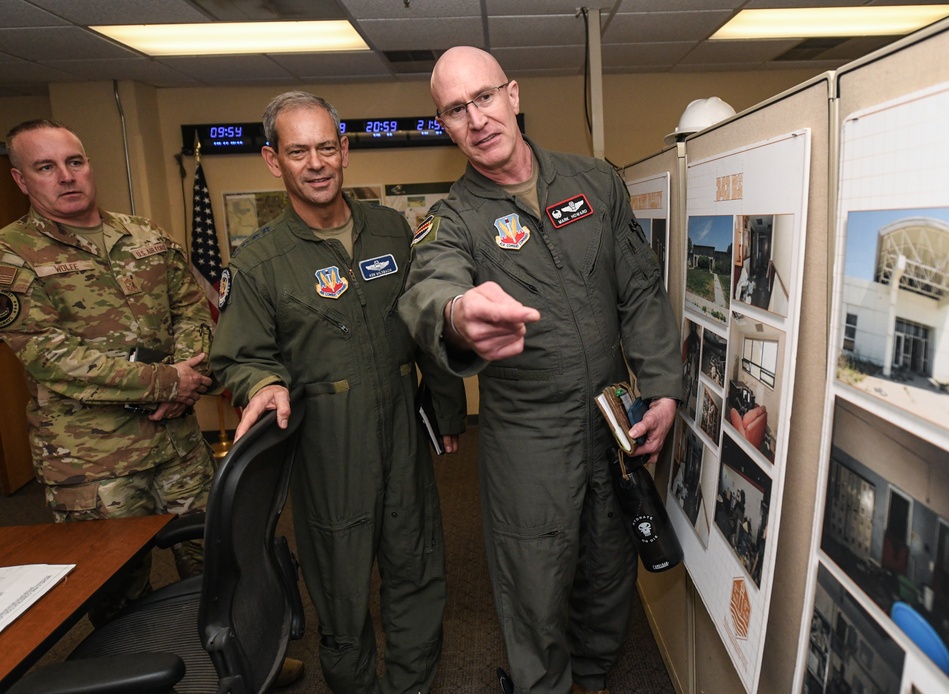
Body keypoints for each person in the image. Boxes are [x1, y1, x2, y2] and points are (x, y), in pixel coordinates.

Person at [399, 47, 683, 694]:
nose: (476, 119)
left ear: (514, 95)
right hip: (529, 434)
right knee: (535, 580)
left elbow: (637, 290)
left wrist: (662, 386)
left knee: (611, 565)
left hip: (613, 418)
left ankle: (594, 673)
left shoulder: (595, 183)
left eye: (485, 98)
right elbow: (428, 291)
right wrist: (457, 312)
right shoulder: (452, 221)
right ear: (444, 124)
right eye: (455, 110)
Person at [210, 91, 467, 694]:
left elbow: (426, 324)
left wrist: (448, 406)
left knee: (418, 565)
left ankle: (413, 684)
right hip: (328, 444)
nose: (317, 162)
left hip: (403, 430)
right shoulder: (261, 261)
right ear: (275, 162)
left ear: (345, 150)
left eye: (327, 147)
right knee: (340, 585)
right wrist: (264, 382)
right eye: (298, 151)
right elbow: (242, 355)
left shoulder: (391, 230)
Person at [0, 119, 216, 623]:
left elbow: (193, 314)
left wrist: (188, 381)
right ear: (20, 180)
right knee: (116, 594)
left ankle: (240, 664)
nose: (66, 176)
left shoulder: (146, 236)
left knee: (218, 562)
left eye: (75, 162)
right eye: (46, 167)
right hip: (94, 463)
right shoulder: (11, 255)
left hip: (178, 444)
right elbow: (51, 357)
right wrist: (169, 382)